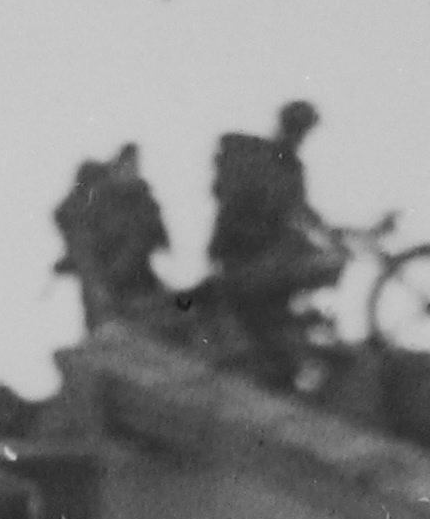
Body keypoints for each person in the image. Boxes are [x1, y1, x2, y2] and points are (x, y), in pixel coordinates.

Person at [197, 99, 340, 383]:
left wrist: (334, 233)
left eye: (303, 131)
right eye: (299, 130)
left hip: (259, 260)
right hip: (243, 259)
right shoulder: (260, 162)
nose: (300, 137)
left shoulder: (292, 170)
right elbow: (240, 210)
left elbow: (302, 213)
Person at [51, 144, 173, 335]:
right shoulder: (100, 201)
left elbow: (150, 239)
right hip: (109, 280)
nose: (130, 171)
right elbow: (68, 218)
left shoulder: (140, 201)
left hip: (134, 283)